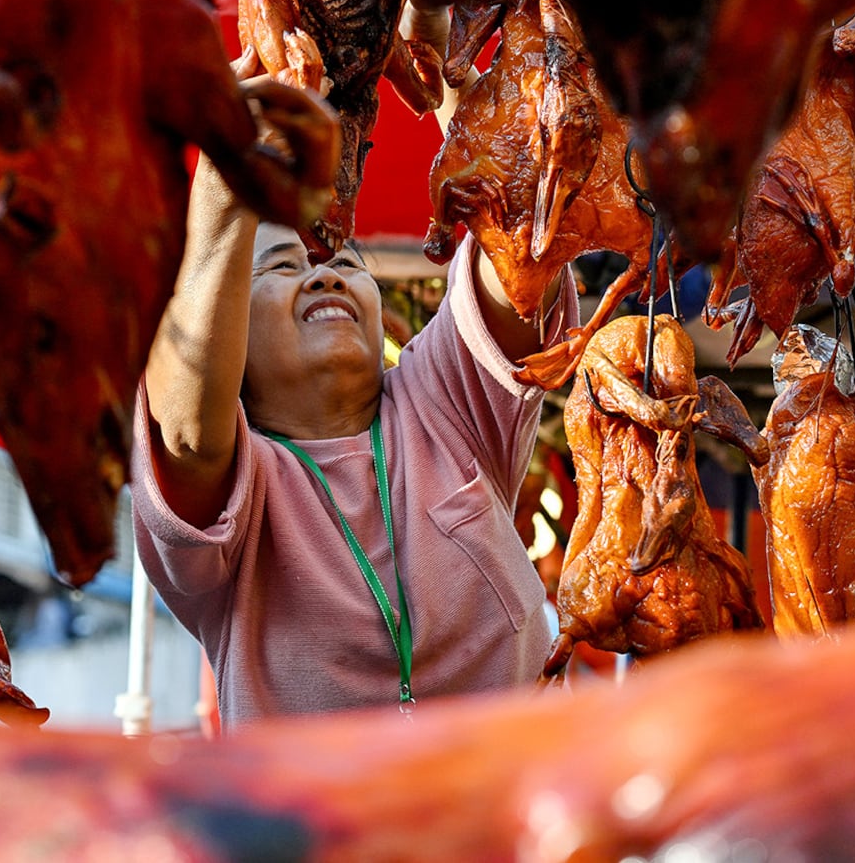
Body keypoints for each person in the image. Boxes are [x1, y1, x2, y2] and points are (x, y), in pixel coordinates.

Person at [130, 46, 579, 730]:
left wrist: (449, 73)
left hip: (523, 819)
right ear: (230, 335)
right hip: (320, 836)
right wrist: (227, 183)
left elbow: (520, 252)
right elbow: (187, 431)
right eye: (283, 265)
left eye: (344, 258)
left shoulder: (442, 402)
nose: (326, 274)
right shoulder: (240, 494)